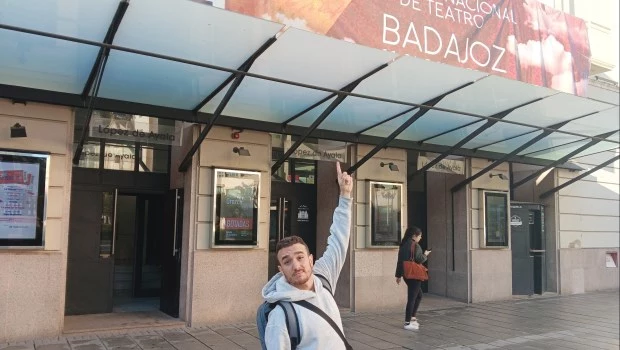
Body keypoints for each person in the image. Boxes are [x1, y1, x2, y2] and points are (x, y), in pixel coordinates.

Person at [262, 162, 353, 349]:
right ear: (280, 270)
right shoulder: (280, 316)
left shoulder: (323, 279)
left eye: (300, 257)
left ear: (311, 260)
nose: (296, 265)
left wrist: (345, 195)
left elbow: (339, 241)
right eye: (287, 261)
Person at [395, 226, 431, 330]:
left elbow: (399, 261)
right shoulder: (416, 245)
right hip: (414, 275)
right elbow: (419, 259)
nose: (421, 237)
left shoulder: (403, 245)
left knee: (418, 295)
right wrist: (425, 254)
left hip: (407, 274)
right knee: (412, 298)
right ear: (414, 236)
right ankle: (407, 322)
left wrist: (398, 275)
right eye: (420, 236)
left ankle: (413, 318)